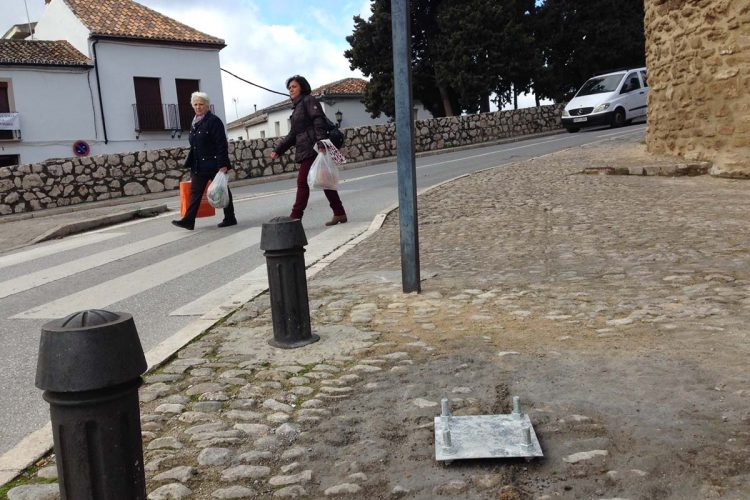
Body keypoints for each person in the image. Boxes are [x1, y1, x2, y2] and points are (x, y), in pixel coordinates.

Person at [270, 75, 347, 225]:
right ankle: (339, 213)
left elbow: (319, 120)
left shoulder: (309, 100)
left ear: (302, 87)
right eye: (289, 88)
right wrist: (278, 150)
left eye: (294, 86)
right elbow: (294, 134)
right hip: (307, 148)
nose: (291, 90)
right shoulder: (298, 107)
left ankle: (295, 217)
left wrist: (321, 144)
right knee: (325, 181)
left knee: (302, 182)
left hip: (313, 148)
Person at [172, 91, 237, 230]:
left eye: (201, 104)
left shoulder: (214, 121)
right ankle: (188, 221)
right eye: (195, 104)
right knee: (195, 194)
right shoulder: (195, 122)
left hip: (214, 164)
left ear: (207, 105)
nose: (198, 107)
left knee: (222, 189)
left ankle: (230, 217)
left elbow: (221, 143)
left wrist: (223, 164)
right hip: (198, 165)